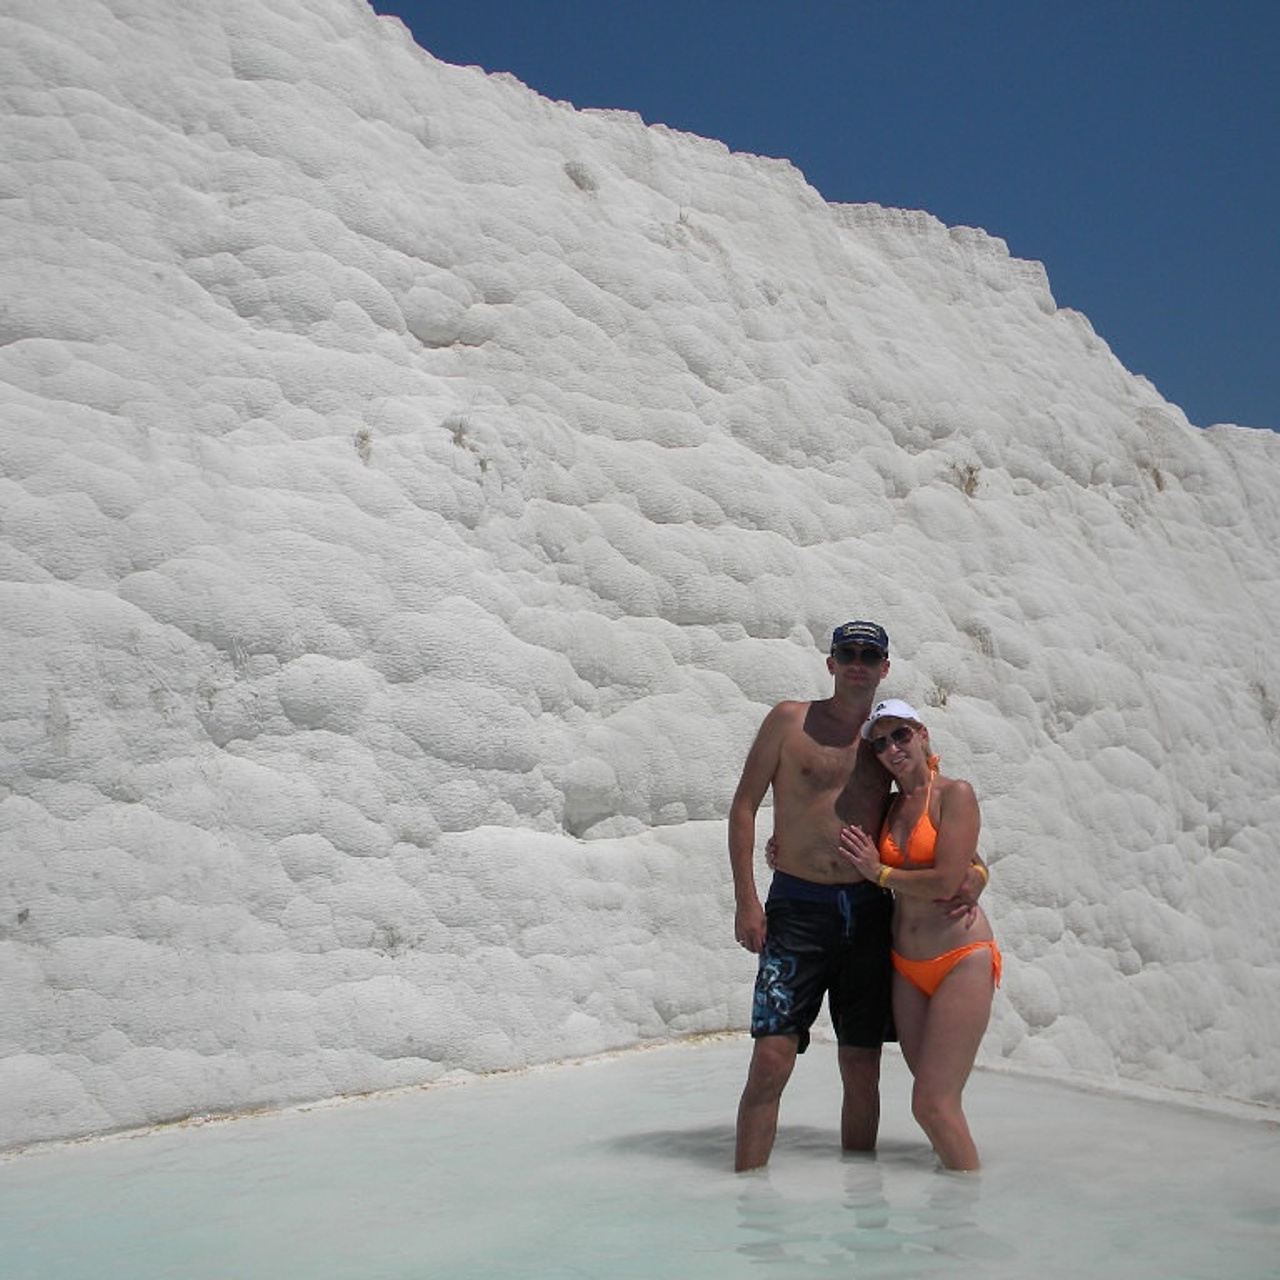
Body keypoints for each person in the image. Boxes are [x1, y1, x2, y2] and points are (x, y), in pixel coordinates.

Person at [729, 622, 985, 1172]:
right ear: (831, 662)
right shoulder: (789, 720)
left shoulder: (883, 743)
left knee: (862, 1065)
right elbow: (745, 805)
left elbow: (923, 817)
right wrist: (747, 899)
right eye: (848, 653)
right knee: (771, 1059)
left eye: (870, 655)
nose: (858, 663)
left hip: (868, 912)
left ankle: (860, 1209)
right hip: (796, 907)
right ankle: (742, 1198)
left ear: (885, 667)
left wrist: (978, 871)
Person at [839, 699, 1001, 1172]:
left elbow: (949, 879)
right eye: (881, 742)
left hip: (959, 958)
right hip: (907, 967)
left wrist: (881, 873)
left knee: (931, 1104)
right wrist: (779, 847)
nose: (892, 747)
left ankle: (966, 1218)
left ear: (922, 733)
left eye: (900, 735)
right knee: (934, 1100)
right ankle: (947, 1196)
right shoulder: (888, 806)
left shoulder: (955, 794)